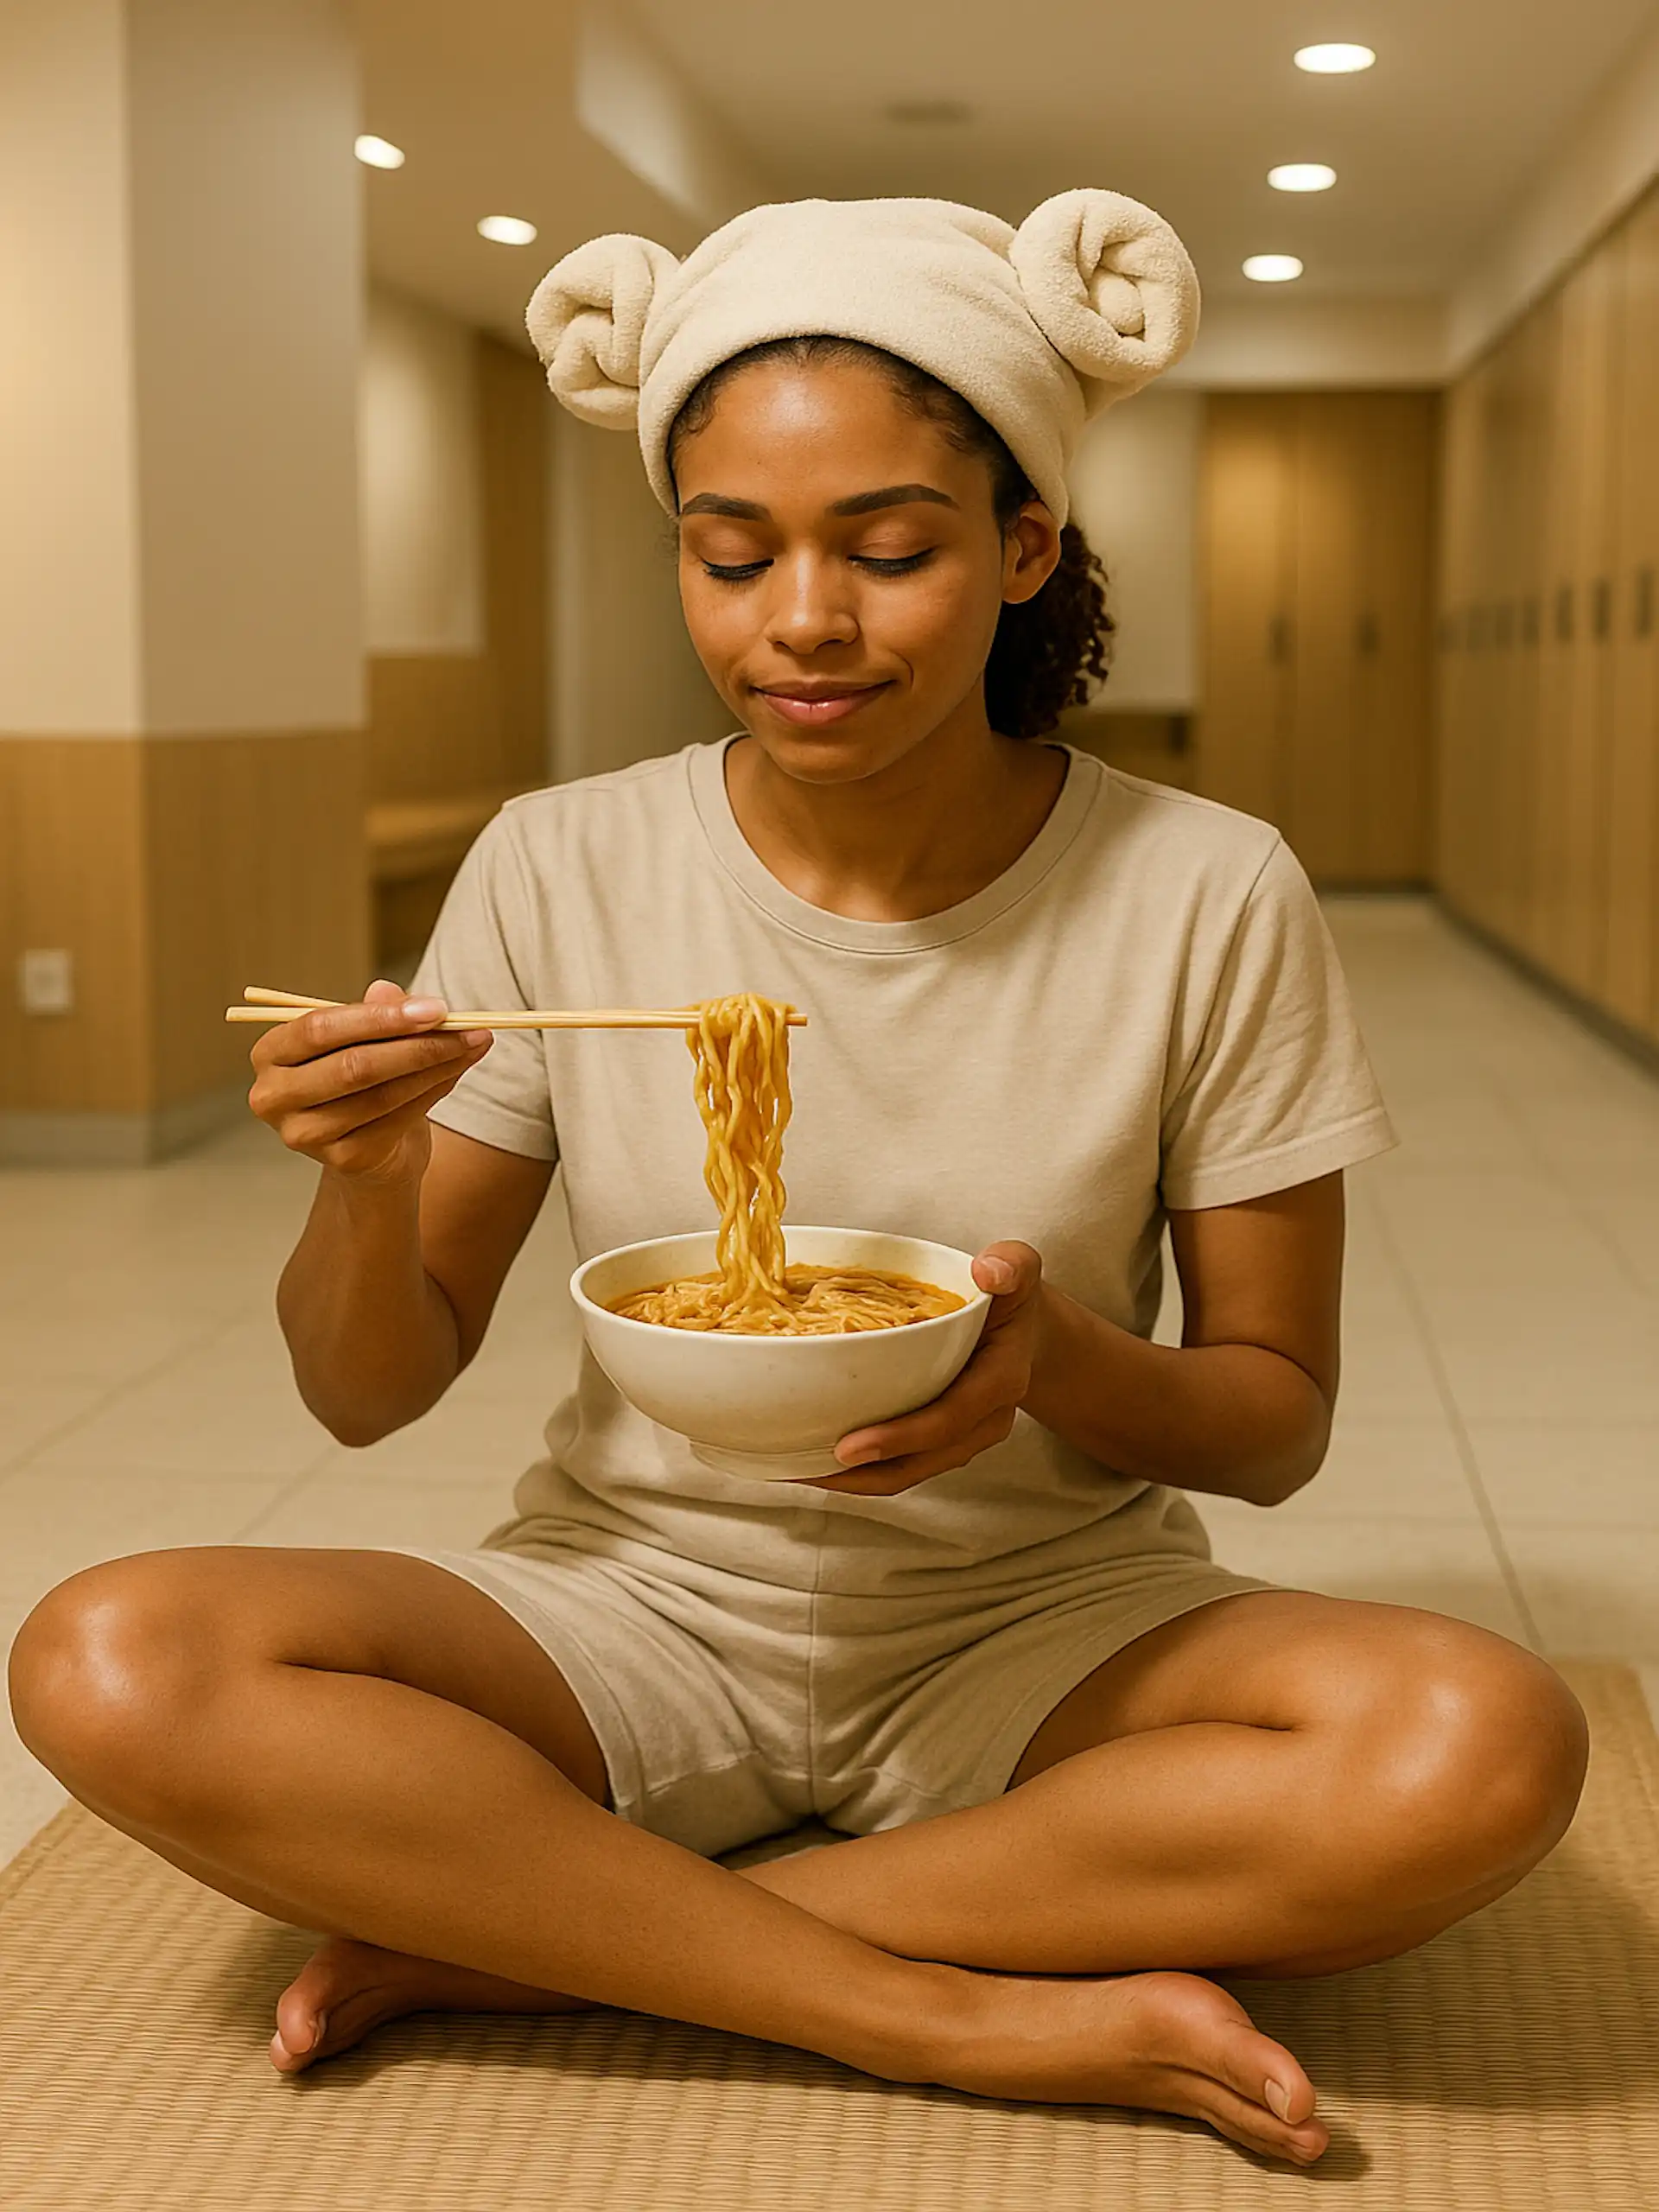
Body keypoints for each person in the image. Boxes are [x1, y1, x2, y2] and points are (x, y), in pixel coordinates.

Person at [8, 190, 1586, 2170]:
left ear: (1023, 548)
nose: (803, 624)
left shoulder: (1208, 887)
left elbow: (1273, 1424)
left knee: (1482, 1740)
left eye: (891, 549)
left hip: (1046, 1614)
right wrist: (367, 1167)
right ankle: (923, 1997)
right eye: (730, 554)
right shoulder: (560, 859)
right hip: (632, 1601)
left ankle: (552, 1938)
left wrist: (1055, 1365)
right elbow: (366, 1385)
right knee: (107, 1652)